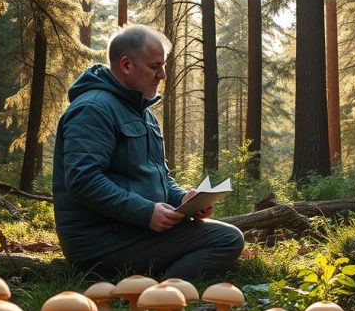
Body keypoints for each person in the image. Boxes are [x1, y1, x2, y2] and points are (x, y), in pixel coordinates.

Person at [52, 24, 245, 280]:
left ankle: (149, 283)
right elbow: (84, 180)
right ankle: (156, 296)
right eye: (155, 67)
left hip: (132, 230)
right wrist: (145, 213)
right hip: (100, 243)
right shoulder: (93, 108)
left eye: (163, 66)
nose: (163, 75)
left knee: (220, 235)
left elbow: (160, 177)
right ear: (126, 65)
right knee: (227, 239)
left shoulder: (142, 113)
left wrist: (183, 200)